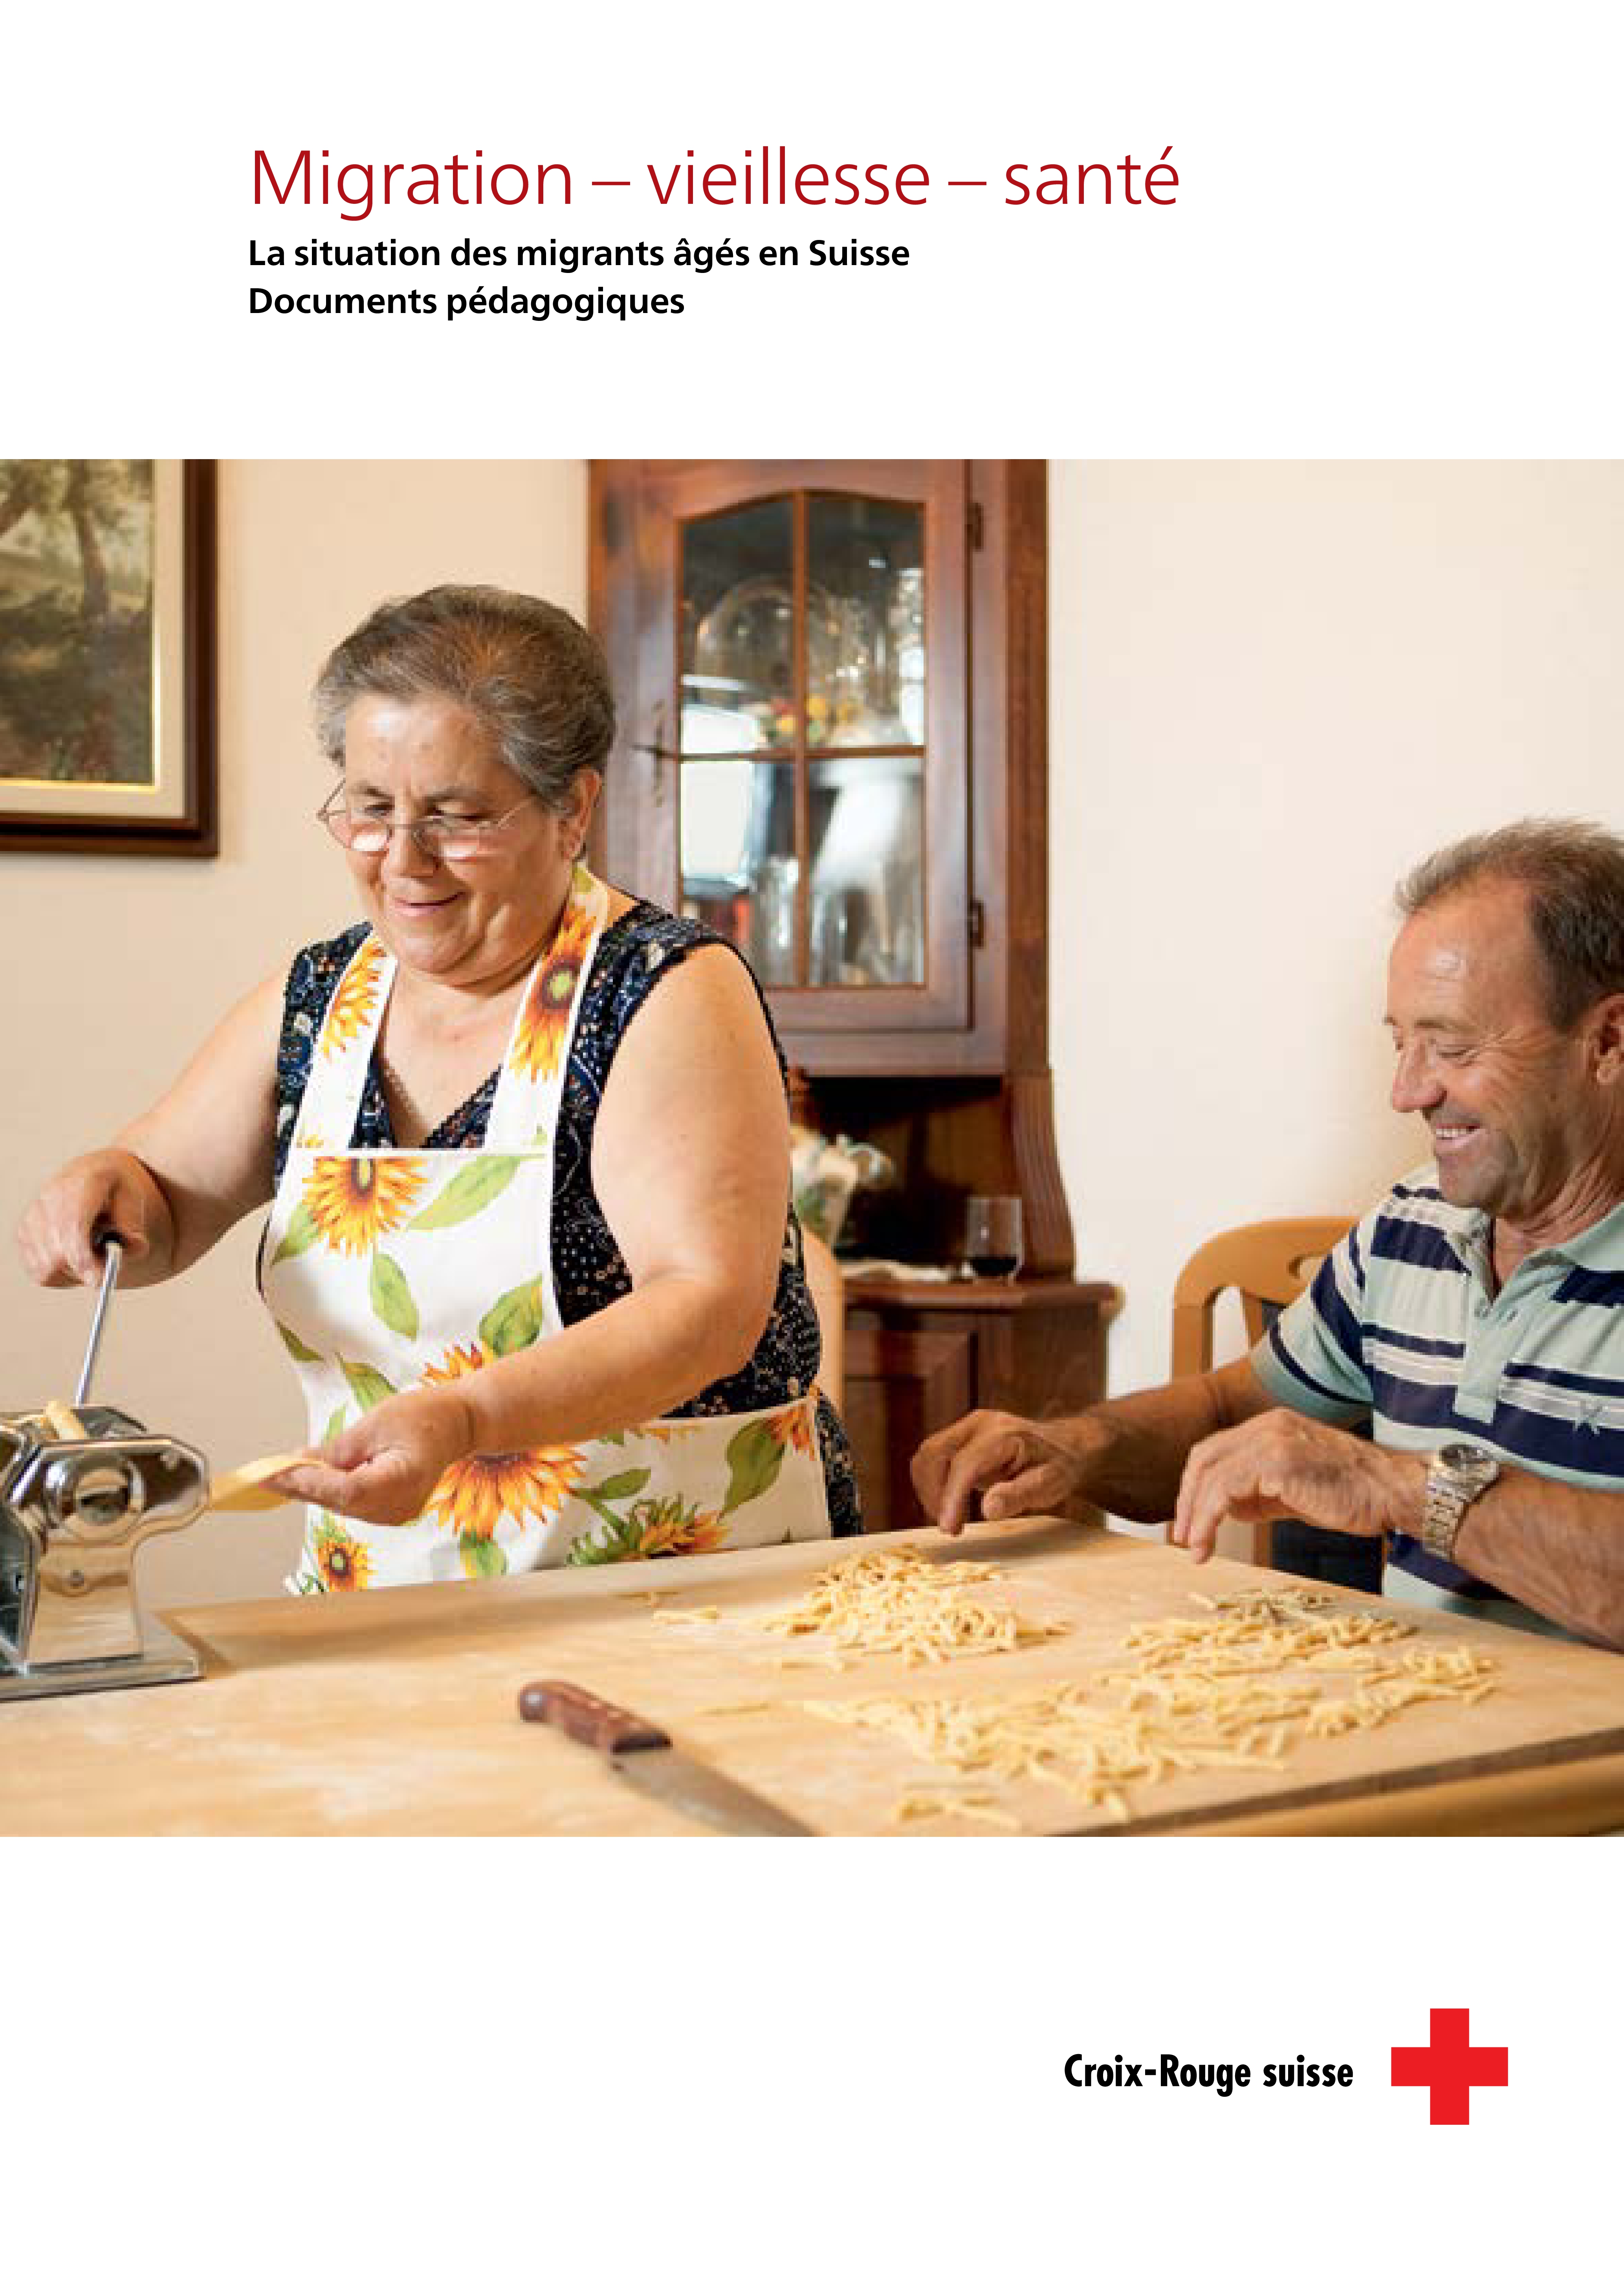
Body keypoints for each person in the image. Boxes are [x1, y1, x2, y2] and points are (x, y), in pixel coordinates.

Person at [17, 584, 861, 1590]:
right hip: (381, 1597)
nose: (405, 861)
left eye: (456, 817)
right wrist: (109, 1192)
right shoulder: (322, 999)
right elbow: (161, 1197)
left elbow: (711, 1308)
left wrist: (464, 1419)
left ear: (572, 808)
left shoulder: (666, 990)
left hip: (671, 1592)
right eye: (370, 810)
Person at [913, 820, 1624, 1650]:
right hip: (1417, 1727)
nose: (1408, 1091)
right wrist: (1076, 1447)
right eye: (1402, 1042)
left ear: (1607, 1039)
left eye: (1454, 1046)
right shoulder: (1411, 1226)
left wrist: (1400, 1486)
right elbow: (1226, 1411)